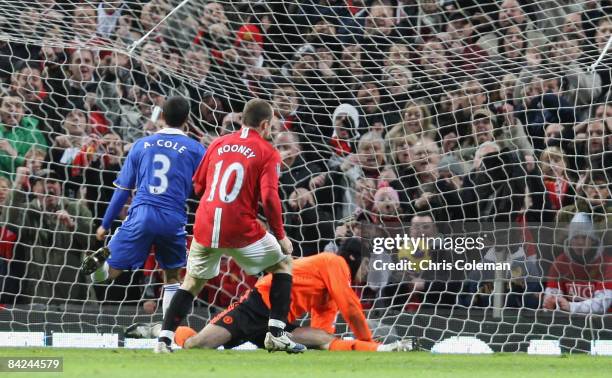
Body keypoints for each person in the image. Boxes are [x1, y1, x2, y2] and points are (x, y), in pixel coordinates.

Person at [157, 98, 304, 354]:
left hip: (205, 223)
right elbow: (270, 198)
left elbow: (198, 185)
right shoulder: (267, 151)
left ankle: (163, 340)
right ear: (266, 124)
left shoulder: (218, 143)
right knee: (283, 264)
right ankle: (277, 334)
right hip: (240, 227)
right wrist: (280, 235)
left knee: (191, 282)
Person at [81, 96, 206, 322]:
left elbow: (123, 190)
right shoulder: (196, 149)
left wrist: (105, 224)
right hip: (172, 217)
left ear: (163, 118)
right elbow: (203, 189)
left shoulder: (142, 145)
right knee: (172, 277)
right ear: (187, 119)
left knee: (110, 274)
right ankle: (167, 335)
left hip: (142, 213)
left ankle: (98, 267)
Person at [169, 239, 411, 352]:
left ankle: (382, 351)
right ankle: (169, 333)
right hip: (257, 307)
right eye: (367, 263)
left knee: (322, 338)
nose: (368, 270)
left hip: (279, 323)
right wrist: (367, 340)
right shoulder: (333, 262)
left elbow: (324, 322)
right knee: (196, 346)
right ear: (354, 258)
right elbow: (351, 308)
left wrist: (329, 344)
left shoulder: (330, 286)